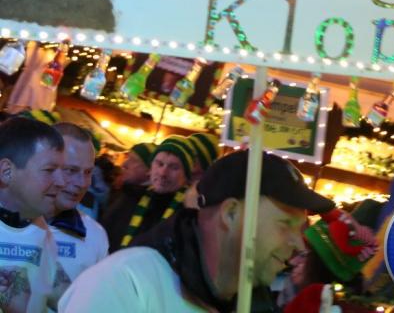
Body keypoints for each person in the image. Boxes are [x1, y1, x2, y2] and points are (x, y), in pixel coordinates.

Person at [59, 149, 334, 312]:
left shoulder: (249, 300)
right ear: (231, 213)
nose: (299, 245)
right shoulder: (126, 284)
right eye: (285, 224)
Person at [0, 117, 65, 313]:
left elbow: (60, 295)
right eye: (49, 170)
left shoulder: (42, 230)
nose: (61, 182)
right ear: (7, 172)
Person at [101, 134, 194, 251]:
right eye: (159, 164)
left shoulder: (186, 215)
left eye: (174, 167)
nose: (163, 173)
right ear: (150, 169)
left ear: (186, 176)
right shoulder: (132, 199)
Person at [48, 123, 109, 288]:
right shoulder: (7, 220)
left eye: (88, 172)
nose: (82, 183)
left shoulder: (95, 235)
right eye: (70, 170)